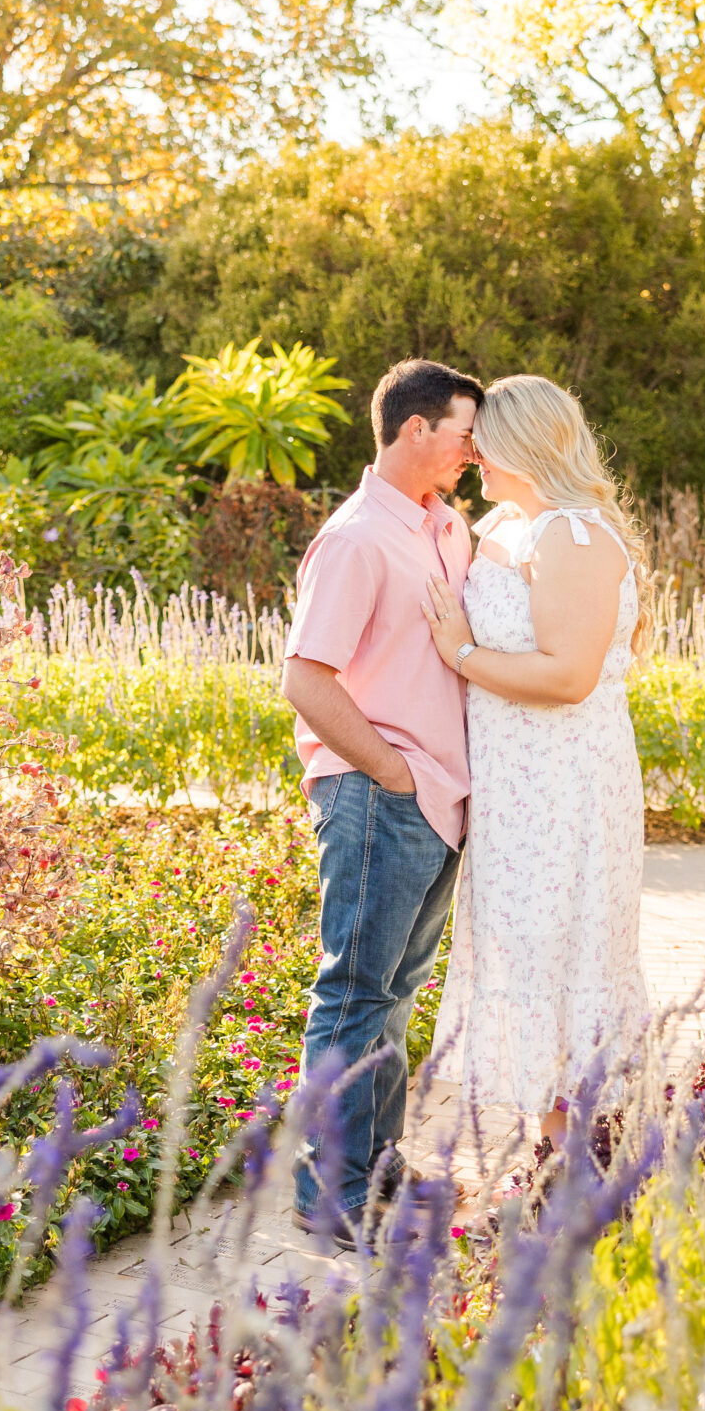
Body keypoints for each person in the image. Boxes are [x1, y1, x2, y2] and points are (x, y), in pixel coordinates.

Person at [421, 373, 653, 1158]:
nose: (475, 456)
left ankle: (578, 1161)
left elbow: (568, 675)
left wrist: (460, 653)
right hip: (517, 787)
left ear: (524, 445)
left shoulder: (572, 537)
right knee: (527, 947)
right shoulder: (510, 527)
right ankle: (555, 1155)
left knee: (565, 947)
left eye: (485, 444)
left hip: (565, 783)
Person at [280, 358, 483, 1240]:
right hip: (379, 794)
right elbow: (304, 678)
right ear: (414, 428)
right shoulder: (357, 538)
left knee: (395, 995)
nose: (474, 452)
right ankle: (329, 1193)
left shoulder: (447, 528)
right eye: (464, 433)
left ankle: (376, 1164)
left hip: (437, 799)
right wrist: (392, 770)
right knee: (356, 994)